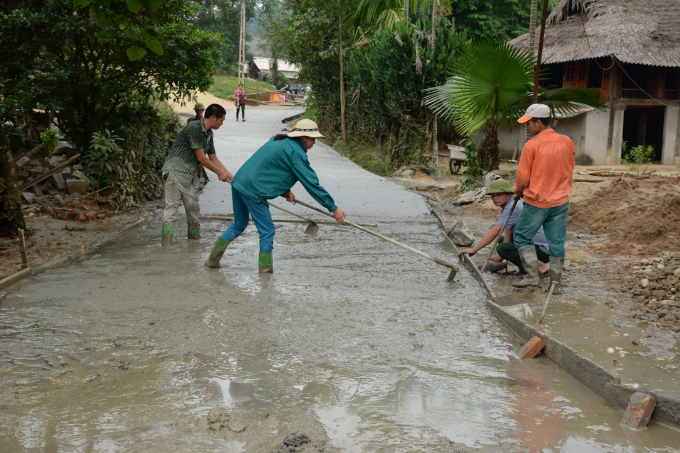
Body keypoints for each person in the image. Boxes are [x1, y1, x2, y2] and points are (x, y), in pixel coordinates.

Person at [204, 119, 346, 273]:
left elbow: (269, 169)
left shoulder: (278, 141)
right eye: (313, 139)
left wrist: (285, 190)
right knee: (267, 230)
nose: (314, 143)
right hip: (253, 189)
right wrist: (333, 208)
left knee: (239, 224)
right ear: (303, 137)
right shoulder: (296, 154)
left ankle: (212, 261)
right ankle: (265, 272)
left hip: (239, 182)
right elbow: (312, 185)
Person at [512, 103, 575, 292]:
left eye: (529, 123)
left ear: (538, 122)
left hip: (537, 202)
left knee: (522, 236)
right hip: (561, 201)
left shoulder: (532, 145)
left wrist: (518, 190)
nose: (527, 127)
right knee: (556, 242)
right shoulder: (567, 142)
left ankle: (532, 276)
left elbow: (523, 179)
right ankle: (555, 284)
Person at [161, 104, 233, 246]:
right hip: (174, 172)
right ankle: (166, 248)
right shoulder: (193, 127)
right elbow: (201, 158)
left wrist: (232, 177)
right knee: (172, 210)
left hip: (189, 176)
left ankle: (194, 244)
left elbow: (214, 158)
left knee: (194, 212)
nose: (222, 123)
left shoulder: (209, 134)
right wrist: (219, 173)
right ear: (213, 118)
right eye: (221, 120)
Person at [458, 179, 550, 276]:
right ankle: (525, 268)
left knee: (502, 248)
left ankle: (541, 266)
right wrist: (500, 258)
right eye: (493, 195)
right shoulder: (510, 205)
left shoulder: (512, 207)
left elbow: (494, 232)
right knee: (502, 241)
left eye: (499, 195)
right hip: (533, 245)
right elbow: (508, 233)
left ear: (508, 194)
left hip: (542, 250)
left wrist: (474, 249)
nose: (495, 198)